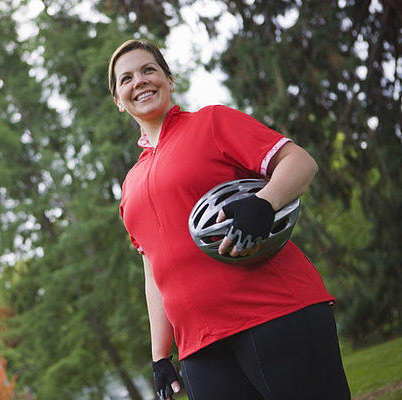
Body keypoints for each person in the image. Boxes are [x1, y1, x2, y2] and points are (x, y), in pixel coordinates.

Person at [109, 39, 351, 400]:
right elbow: (153, 273)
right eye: (126, 78)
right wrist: (160, 355)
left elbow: (301, 162)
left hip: (275, 312)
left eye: (149, 70)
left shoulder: (212, 122)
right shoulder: (129, 187)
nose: (139, 81)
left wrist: (264, 203)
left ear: (169, 80)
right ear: (118, 101)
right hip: (200, 351)